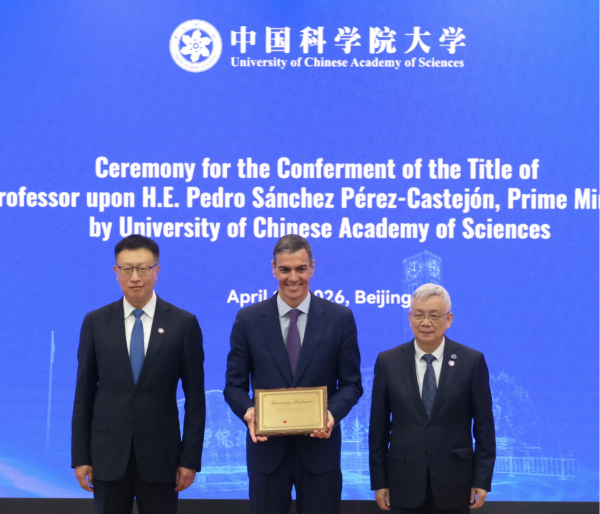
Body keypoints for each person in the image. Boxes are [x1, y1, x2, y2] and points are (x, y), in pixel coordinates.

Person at [224, 235, 363, 514]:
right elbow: (233, 386)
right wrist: (249, 412)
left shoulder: (339, 318)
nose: (293, 278)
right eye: (285, 269)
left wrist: (331, 414)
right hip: (266, 454)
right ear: (273, 269)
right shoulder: (248, 319)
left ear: (312, 267)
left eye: (300, 269)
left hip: (320, 451)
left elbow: (351, 384)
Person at [71, 235, 205, 514]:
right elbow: (84, 393)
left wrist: (190, 459)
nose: (135, 277)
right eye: (127, 269)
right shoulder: (95, 322)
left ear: (157, 271)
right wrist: (81, 456)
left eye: (143, 268)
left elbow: (196, 401)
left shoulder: (183, 323)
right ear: (116, 271)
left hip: (162, 457)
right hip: (107, 455)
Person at [369, 283, 495, 514]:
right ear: (410, 318)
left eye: (434, 316)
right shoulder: (388, 362)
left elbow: (484, 427)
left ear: (449, 319)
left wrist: (482, 479)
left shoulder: (471, 361)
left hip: (455, 482)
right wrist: (379, 481)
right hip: (403, 481)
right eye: (419, 315)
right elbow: (378, 428)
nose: (425, 322)